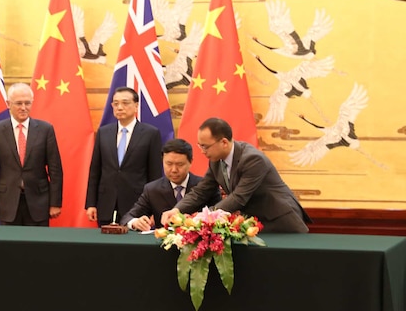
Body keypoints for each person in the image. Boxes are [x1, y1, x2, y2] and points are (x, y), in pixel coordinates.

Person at [161, 117, 311, 233]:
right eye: (200, 146)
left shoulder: (252, 159)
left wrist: (203, 218)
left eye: (205, 146)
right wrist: (177, 210)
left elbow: (238, 197)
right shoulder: (215, 161)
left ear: (224, 142)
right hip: (257, 223)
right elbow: (201, 192)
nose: (202, 151)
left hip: (281, 221)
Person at [0, 82, 63, 226]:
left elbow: (55, 169)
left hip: (39, 203)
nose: (23, 108)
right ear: (8, 104)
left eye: (27, 103)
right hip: (7, 203)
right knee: (9, 247)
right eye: (18, 103)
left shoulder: (45, 129)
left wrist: (55, 203)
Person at [86, 87, 162, 225]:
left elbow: (155, 174)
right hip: (106, 203)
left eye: (125, 103)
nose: (120, 107)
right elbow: (95, 171)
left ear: (136, 106)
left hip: (137, 204)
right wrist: (91, 203)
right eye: (115, 103)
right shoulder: (104, 133)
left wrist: (154, 208)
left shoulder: (151, 134)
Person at [120, 138, 220, 231]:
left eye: (180, 164)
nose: (174, 170)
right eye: (169, 164)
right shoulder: (152, 190)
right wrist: (134, 222)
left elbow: (219, 215)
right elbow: (127, 218)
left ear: (190, 162)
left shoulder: (205, 186)